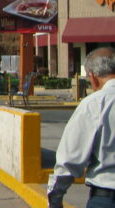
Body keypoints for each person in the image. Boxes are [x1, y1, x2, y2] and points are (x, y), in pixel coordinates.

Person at [47, 47, 115, 208]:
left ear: (93, 76)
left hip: (106, 198)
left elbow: (69, 160)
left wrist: (55, 200)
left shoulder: (94, 104)